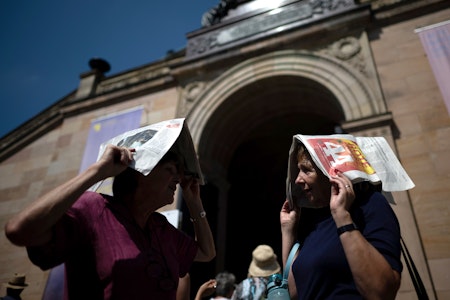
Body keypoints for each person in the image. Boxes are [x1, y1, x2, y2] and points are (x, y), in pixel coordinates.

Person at [4, 144, 216, 300]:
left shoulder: (161, 227)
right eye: (170, 169)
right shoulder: (95, 208)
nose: (178, 179)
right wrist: (97, 171)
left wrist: (195, 202)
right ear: (141, 174)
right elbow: (19, 230)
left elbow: (207, 253)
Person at [280, 143, 403, 299]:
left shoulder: (369, 205)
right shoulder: (318, 223)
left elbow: (381, 291)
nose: (297, 179)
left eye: (306, 170)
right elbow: (295, 292)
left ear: (332, 173)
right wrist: (288, 231)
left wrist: (342, 216)